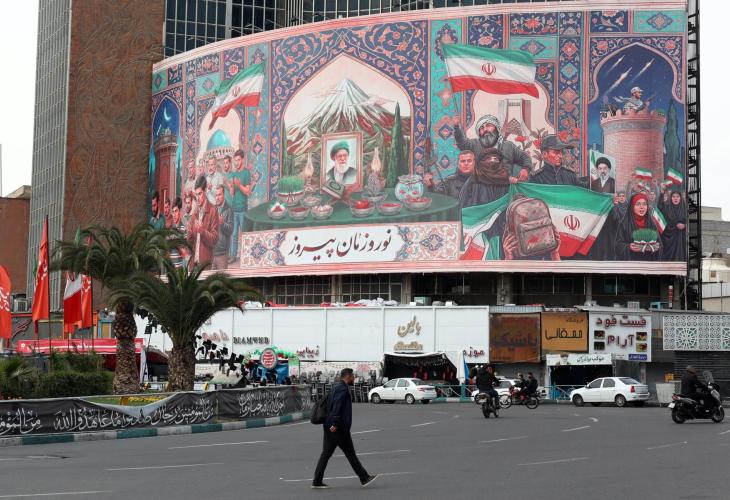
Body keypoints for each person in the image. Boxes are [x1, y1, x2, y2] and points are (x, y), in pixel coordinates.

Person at [313, 368, 378, 489]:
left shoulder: (336, 387)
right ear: (348, 376)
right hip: (338, 428)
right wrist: (335, 424)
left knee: (325, 454)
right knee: (350, 454)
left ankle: (317, 481)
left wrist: (331, 424)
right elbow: (337, 407)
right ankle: (364, 477)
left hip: (329, 426)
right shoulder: (342, 389)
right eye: (353, 376)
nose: (354, 378)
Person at [453, 115, 531, 181]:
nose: (485, 129)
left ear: (496, 128)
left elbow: (524, 156)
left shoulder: (508, 146)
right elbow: (462, 143)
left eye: (488, 126)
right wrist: (456, 127)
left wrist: (526, 169)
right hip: (482, 187)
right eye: (482, 128)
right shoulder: (475, 144)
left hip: (505, 186)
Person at [614, 192, 663, 261]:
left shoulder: (651, 223)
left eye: (644, 204)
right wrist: (629, 247)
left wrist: (656, 247)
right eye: (638, 204)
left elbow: (660, 245)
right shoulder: (624, 224)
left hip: (648, 263)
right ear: (632, 206)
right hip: (632, 263)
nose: (642, 207)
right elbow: (618, 246)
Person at [187, 175, 220, 269]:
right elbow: (190, 242)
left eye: (200, 194)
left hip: (205, 265)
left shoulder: (213, 210)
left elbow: (215, 239)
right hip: (193, 265)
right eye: (196, 194)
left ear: (205, 191)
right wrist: (189, 234)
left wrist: (202, 231)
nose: (197, 198)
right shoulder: (194, 213)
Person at [226, 149, 253, 263]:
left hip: (243, 210)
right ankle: (233, 256)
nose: (236, 163)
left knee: (244, 234)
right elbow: (232, 193)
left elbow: (248, 192)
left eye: (238, 160)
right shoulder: (233, 174)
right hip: (234, 209)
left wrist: (239, 185)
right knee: (234, 235)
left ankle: (246, 256)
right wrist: (231, 186)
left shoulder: (246, 173)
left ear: (242, 159)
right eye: (235, 160)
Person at [660, 187, 687, 262]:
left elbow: (690, 222)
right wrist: (675, 225)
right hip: (670, 238)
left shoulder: (686, 208)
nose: (675, 198)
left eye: (677, 196)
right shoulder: (666, 208)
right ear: (670, 198)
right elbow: (664, 221)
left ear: (680, 198)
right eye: (673, 196)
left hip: (682, 238)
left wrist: (685, 225)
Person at [212, 185, 233, 270]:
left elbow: (230, 230)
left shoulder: (229, 210)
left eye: (219, 195)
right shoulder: (213, 209)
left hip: (222, 253)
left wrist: (222, 223)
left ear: (224, 195)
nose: (217, 197)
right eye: (216, 195)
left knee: (222, 277)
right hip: (212, 252)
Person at [168, 197, 186, 269]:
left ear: (180, 212)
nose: (174, 215)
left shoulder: (184, 229)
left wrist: (175, 243)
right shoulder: (169, 230)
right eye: (173, 212)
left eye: (176, 211)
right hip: (170, 269)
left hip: (180, 269)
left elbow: (184, 254)